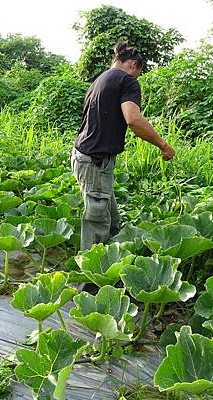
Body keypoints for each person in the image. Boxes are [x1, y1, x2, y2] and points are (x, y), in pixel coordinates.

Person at [72, 42, 175, 251]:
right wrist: (163, 145)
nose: (137, 78)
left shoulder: (100, 80)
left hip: (84, 156)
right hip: (95, 161)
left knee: (111, 219)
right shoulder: (127, 80)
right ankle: (90, 280)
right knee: (97, 224)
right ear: (134, 65)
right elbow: (133, 119)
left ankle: (111, 268)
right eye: (139, 73)